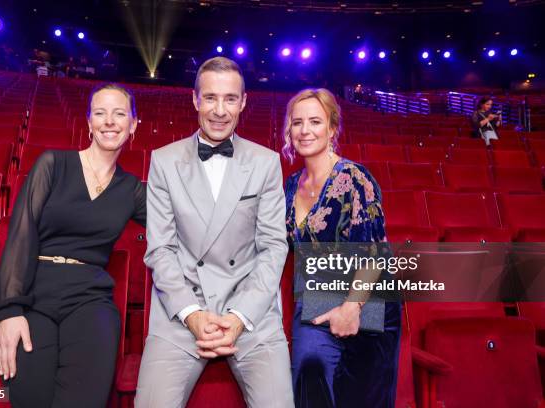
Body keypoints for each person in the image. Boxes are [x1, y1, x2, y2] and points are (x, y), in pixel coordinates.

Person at [136, 56, 294, 408]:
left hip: (251, 311)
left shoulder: (266, 162)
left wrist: (239, 317)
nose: (220, 110)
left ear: (243, 102)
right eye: (210, 98)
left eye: (230, 99)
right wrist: (191, 314)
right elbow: (160, 250)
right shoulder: (164, 160)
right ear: (195, 100)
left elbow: (272, 248)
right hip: (181, 311)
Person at [0, 83, 147, 408]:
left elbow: (179, 225)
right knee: (32, 398)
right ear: (88, 122)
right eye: (100, 113)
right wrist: (10, 310)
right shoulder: (53, 164)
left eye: (119, 114)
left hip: (90, 300)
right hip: (34, 295)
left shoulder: (131, 188)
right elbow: (21, 233)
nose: (109, 122)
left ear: (133, 125)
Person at [283, 88, 401, 408]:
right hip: (318, 295)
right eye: (297, 122)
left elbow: (376, 252)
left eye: (315, 122)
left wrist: (352, 308)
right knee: (309, 375)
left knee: (359, 398)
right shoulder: (290, 185)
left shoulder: (355, 178)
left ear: (332, 128)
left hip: (367, 300)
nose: (305, 130)